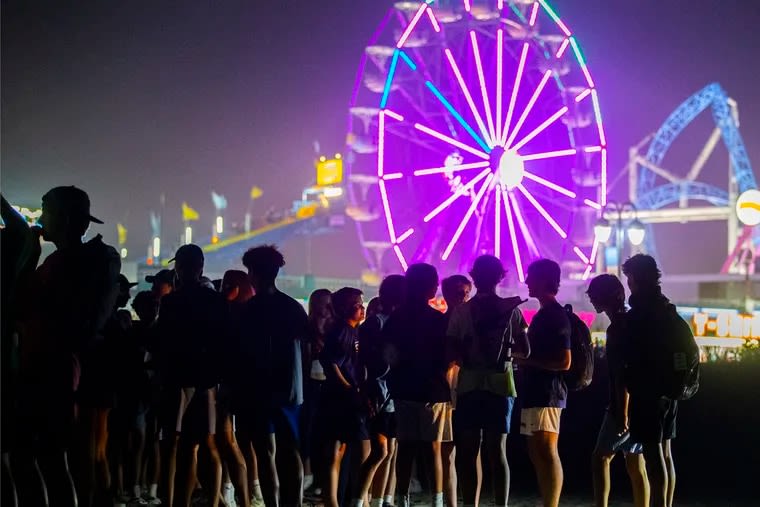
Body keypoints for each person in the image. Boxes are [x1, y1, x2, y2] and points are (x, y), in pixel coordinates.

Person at [15, 186, 120, 507]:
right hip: (61, 371)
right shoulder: (90, 261)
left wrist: (28, 256)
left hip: (51, 372)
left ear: (63, 217)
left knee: (46, 459)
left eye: (45, 211)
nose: (41, 218)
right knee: (54, 461)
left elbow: (19, 304)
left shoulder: (64, 265)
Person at [447, 257, 529, 507]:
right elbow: (525, 351)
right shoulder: (512, 310)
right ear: (500, 278)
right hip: (501, 384)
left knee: (469, 451)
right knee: (498, 451)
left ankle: (470, 503)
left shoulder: (462, 311)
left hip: (470, 384)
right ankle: (500, 504)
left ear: (473, 277)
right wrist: (504, 352)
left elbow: (451, 351)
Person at [234, 245, 308, 507]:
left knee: (265, 453)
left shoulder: (247, 310)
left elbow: (239, 353)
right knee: (291, 452)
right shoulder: (293, 308)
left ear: (253, 273)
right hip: (290, 390)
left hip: (257, 391)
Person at [154, 244, 226, 507]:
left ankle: (173, 500)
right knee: (205, 444)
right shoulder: (215, 301)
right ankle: (214, 499)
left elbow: (161, 341)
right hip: (206, 380)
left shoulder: (171, 302)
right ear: (201, 267)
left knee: (173, 444)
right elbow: (223, 341)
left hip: (176, 378)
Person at [383, 263, 451, 507]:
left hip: (403, 390)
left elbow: (388, 355)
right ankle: (437, 500)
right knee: (433, 450)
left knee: (405, 449)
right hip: (432, 390)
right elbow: (446, 354)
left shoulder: (395, 319)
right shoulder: (437, 320)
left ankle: (402, 499)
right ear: (430, 287)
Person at [621, 254, 679, 507]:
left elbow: (633, 354)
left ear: (635, 278)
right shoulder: (666, 307)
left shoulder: (641, 313)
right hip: (670, 390)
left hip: (648, 391)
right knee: (666, 453)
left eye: (629, 278)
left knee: (653, 456)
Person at [587, 274, 649, 507]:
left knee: (600, 458)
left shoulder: (616, 330)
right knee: (635, 461)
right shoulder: (632, 323)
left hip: (622, 403)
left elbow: (621, 374)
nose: (592, 299)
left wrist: (622, 411)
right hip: (641, 400)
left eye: (594, 295)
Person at [519, 259, 571, 507]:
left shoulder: (554, 315)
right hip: (537, 392)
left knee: (546, 451)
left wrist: (527, 361)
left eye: (531, 277)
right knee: (536, 451)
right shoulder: (545, 313)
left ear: (544, 280)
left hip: (547, 393)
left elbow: (565, 361)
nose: (527, 281)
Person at [356, 275, 406, 507]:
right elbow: (371, 361)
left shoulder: (381, 322)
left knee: (390, 451)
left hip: (390, 393)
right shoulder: (378, 323)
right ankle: (358, 499)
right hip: (382, 393)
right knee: (381, 451)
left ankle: (379, 499)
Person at [318, 287, 369, 507]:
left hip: (341, 396)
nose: (361, 307)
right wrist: (349, 388)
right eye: (357, 304)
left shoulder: (352, 330)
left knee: (338, 449)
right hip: (344, 399)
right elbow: (331, 363)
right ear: (344, 308)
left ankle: (336, 498)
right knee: (360, 448)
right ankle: (358, 499)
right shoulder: (342, 331)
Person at [218, 270, 254, 507]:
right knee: (234, 443)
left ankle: (239, 497)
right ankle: (239, 495)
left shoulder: (231, 315)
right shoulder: (250, 315)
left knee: (228, 443)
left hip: (228, 385)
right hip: (243, 386)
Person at [439, 274, 471, 507]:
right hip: (446, 393)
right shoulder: (441, 323)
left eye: (466, 292)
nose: (464, 297)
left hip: (468, 390)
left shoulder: (471, 322)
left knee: (469, 451)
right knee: (446, 453)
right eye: (459, 293)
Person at [301, 289, 334, 498]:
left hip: (329, 384)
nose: (326, 308)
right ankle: (308, 473)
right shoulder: (307, 328)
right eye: (322, 303)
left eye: (328, 303)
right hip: (310, 384)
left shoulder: (334, 329)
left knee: (325, 433)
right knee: (308, 430)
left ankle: (321, 478)